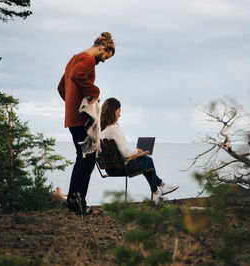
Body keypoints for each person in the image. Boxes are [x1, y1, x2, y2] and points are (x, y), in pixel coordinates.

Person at [57, 32, 115, 215]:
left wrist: (72, 103)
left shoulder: (73, 58)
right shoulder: (88, 59)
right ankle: (80, 203)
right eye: (106, 57)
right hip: (82, 120)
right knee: (88, 159)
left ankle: (74, 201)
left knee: (81, 158)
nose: (104, 61)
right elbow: (77, 75)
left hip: (72, 119)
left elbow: (61, 88)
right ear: (102, 48)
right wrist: (95, 91)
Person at [100, 97, 179, 204]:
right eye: (119, 111)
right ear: (113, 111)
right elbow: (125, 153)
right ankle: (161, 187)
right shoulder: (115, 128)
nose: (120, 114)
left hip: (110, 169)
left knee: (145, 162)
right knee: (148, 161)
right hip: (122, 168)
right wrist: (138, 151)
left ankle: (158, 193)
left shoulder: (102, 131)